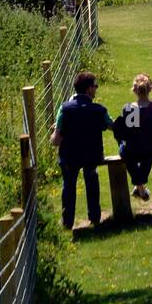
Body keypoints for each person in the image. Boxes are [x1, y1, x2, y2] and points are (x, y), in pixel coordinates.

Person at [51, 71, 114, 230]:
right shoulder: (100, 110)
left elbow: (56, 141)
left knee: (69, 186)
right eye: (95, 86)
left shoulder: (64, 109)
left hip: (70, 157)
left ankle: (67, 223)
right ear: (88, 89)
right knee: (92, 179)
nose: (96, 89)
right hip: (93, 156)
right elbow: (113, 126)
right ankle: (94, 218)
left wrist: (55, 131)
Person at [112, 74, 152, 200]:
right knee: (145, 150)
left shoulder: (128, 109)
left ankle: (140, 186)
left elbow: (125, 133)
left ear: (134, 90)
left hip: (133, 150)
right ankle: (140, 186)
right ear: (149, 90)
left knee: (126, 150)